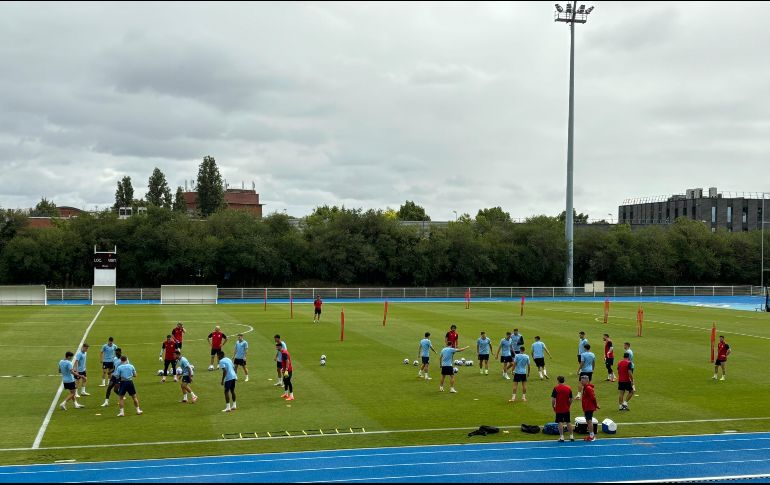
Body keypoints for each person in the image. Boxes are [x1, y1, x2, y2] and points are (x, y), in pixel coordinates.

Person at [551, 376, 574, 442]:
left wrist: (553, 406)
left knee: (560, 422)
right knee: (568, 421)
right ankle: (571, 436)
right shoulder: (568, 388)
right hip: (566, 408)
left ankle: (562, 437)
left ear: (558, 380)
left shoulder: (556, 388)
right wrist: (569, 405)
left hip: (559, 408)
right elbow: (571, 399)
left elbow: (553, 399)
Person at [580, 374, 599, 441]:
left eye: (582, 381)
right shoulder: (585, 387)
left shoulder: (588, 388)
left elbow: (593, 398)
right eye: (581, 381)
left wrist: (596, 405)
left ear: (587, 381)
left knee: (589, 421)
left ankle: (592, 436)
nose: (581, 382)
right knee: (588, 420)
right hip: (587, 407)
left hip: (589, 407)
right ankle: (591, 435)